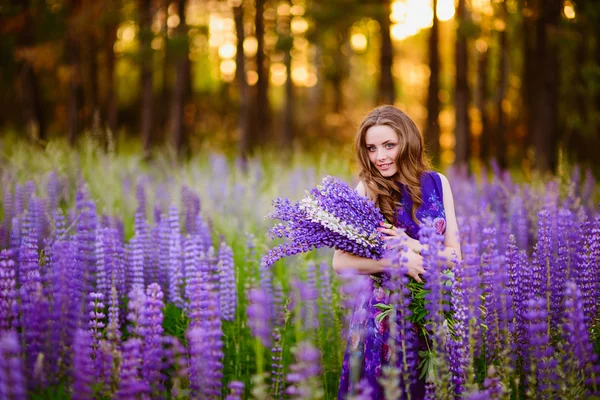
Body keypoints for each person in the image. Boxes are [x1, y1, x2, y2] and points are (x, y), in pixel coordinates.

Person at [333, 105, 461, 399]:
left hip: (431, 309)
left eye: (389, 145)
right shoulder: (367, 189)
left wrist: (413, 245)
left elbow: (455, 256)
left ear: (408, 142)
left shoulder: (438, 184)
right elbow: (340, 262)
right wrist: (397, 262)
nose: (380, 156)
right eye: (372, 148)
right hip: (381, 317)